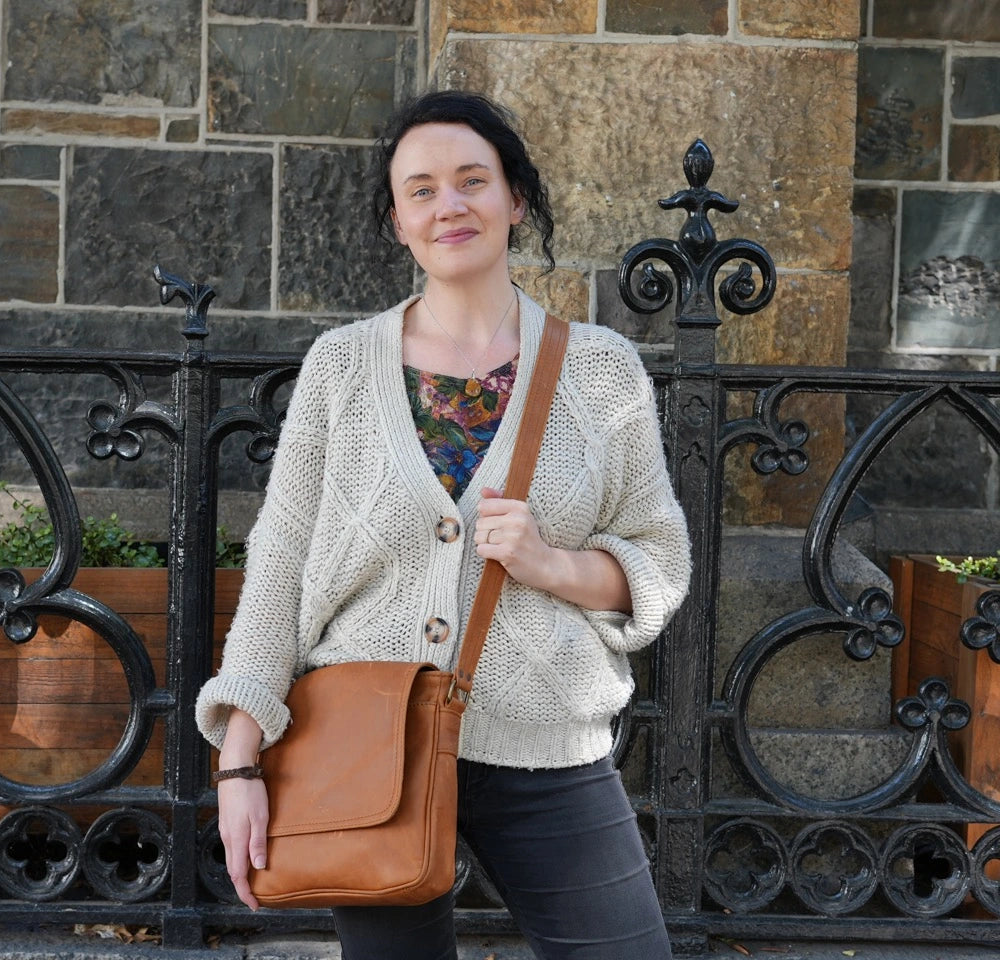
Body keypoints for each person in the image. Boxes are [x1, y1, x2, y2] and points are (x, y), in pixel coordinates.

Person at [196, 90, 691, 960]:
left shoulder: (602, 371)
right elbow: (278, 565)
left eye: (472, 180)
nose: (449, 205)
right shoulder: (341, 366)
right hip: (366, 745)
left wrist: (551, 563)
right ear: (397, 221)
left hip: (548, 736)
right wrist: (240, 756)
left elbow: (659, 556)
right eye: (421, 189)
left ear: (516, 200)